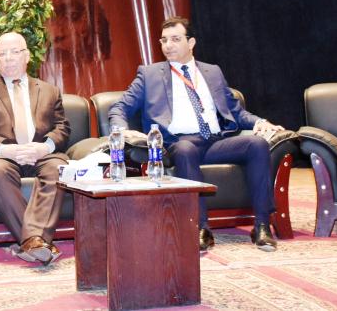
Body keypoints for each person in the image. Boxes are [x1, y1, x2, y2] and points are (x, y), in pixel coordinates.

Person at [108, 16, 282, 252]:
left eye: (175, 39)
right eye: (164, 40)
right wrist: (121, 129)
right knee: (186, 149)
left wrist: (260, 122)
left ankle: (262, 225)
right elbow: (119, 107)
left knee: (257, 144)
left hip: (215, 141)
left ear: (191, 43)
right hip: (178, 142)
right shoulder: (149, 75)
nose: (168, 45)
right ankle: (200, 227)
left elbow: (235, 111)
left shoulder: (212, 72)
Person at [0, 31, 71, 265]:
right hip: (5, 156)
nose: (8, 58)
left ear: (27, 56)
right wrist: (7, 150)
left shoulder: (49, 90)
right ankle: (36, 241)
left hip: (42, 154)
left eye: (14, 52)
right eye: (2, 54)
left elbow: (62, 127)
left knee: (58, 168)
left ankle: (31, 241)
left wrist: (44, 148)